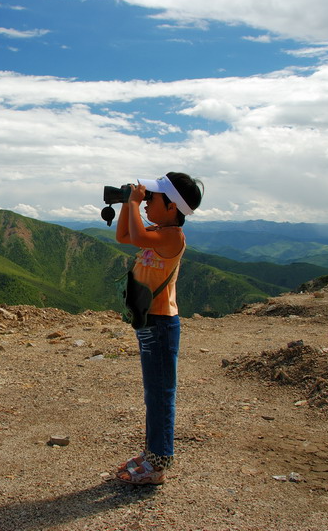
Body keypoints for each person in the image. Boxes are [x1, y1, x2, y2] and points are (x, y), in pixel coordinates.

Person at [113, 171, 203, 485]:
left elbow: (136, 238)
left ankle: (158, 464)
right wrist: (129, 204)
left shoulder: (173, 236)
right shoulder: (159, 228)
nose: (148, 202)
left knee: (161, 394)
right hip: (150, 321)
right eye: (147, 197)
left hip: (162, 323)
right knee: (153, 393)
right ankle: (153, 454)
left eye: (154, 198)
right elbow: (124, 237)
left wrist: (135, 202)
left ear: (172, 206)